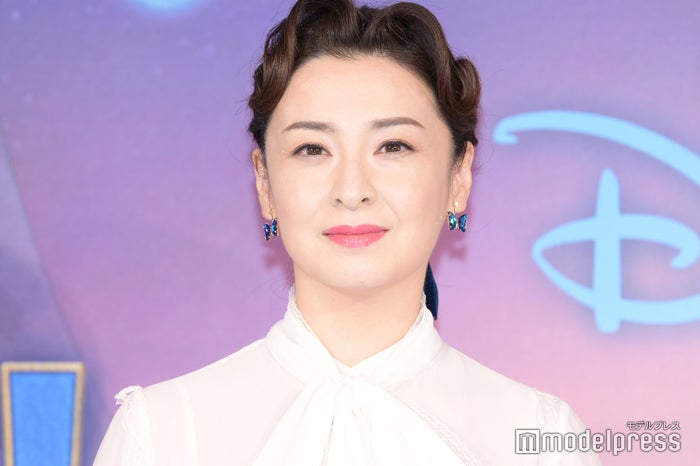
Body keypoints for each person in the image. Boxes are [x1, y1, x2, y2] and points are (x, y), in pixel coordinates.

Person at [94, 0, 601, 464]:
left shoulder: (541, 436)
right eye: (312, 149)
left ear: (459, 176)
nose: (352, 190)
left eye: (393, 146)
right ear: (265, 183)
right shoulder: (162, 433)